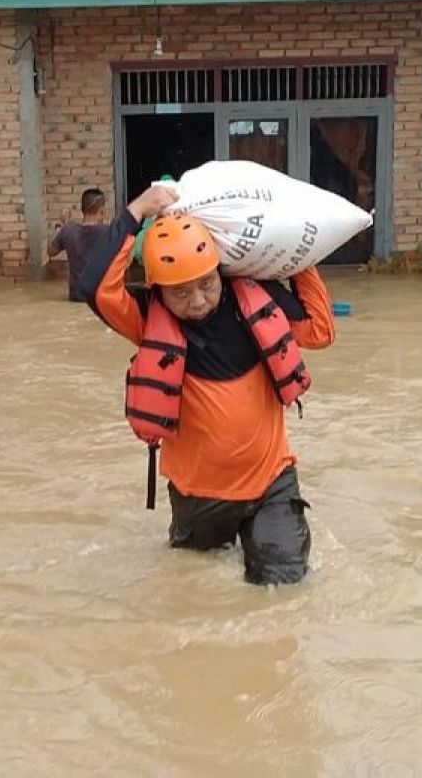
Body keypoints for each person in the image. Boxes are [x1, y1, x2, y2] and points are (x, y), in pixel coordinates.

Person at [80, 186, 336, 585]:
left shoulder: (256, 297)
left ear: (220, 271)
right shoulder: (148, 318)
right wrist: (137, 211)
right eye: (180, 292)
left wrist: (295, 257)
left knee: (284, 587)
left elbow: (320, 329)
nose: (197, 300)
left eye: (206, 284)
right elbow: (95, 288)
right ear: (158, 290)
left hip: (271, 483)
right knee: (192, 588)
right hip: (197, 496)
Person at [48, 187, 108, 302]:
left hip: (76, 296)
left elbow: (50, 251)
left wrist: (60, 226)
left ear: (82, 209)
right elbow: (126, 261)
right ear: (102, 210)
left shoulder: (68, 230)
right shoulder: (109, 232)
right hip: (99, 298)